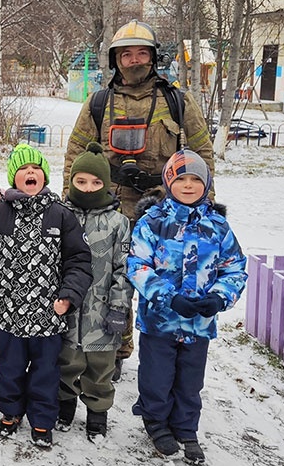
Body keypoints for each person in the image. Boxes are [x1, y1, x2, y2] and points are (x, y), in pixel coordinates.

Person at [63, 19, 214, 382]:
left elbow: (202, 154)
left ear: (153, 57)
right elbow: (74, 154)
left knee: (161, 282)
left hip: (163, 210)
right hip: (108, 208)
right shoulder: (99, 103)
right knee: (108, 281)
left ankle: (160, 351)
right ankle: (115, 348)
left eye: (141, 53)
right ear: (116, 60)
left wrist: (203, 207)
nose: (134, 60)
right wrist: (72, 203)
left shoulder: (178, 101)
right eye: (126, 54)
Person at [0, 144, 93, 449]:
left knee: (45, 372)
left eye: (36, 168)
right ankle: (10, 411)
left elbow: (79, 260)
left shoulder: (61, 214)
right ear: (13, 177)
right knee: (9, 368)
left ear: (44, 176)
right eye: (23, 168)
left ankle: (42, 418)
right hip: (9, 313)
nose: (30, 172)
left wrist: (69, 295)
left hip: (48, 315)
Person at [127, 149, 247, 463]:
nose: (189, 185)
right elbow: (138, 266)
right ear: (169, 182)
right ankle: (156, 421)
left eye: (196, 179)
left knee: (190, 380)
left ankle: (185, 427)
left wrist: (220, 296)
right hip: (160, 321)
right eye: (181, 179)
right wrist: (168, 297)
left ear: (206, 184)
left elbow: (234, 268)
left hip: (199, 323)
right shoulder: (153, 222)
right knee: (157, 376)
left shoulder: (217, 226)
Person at [56, 142, 132, 442]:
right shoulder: (61, 216)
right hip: (67, 309)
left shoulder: (118, 222)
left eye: (96, 182)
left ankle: (97, 414)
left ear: (107, 184)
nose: (88, 188)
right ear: (72, 181)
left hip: (102, 312)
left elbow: (123, 269)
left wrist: (119, 307)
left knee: (100, 368)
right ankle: (64, 406)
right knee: (65, 362)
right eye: (81, 181)